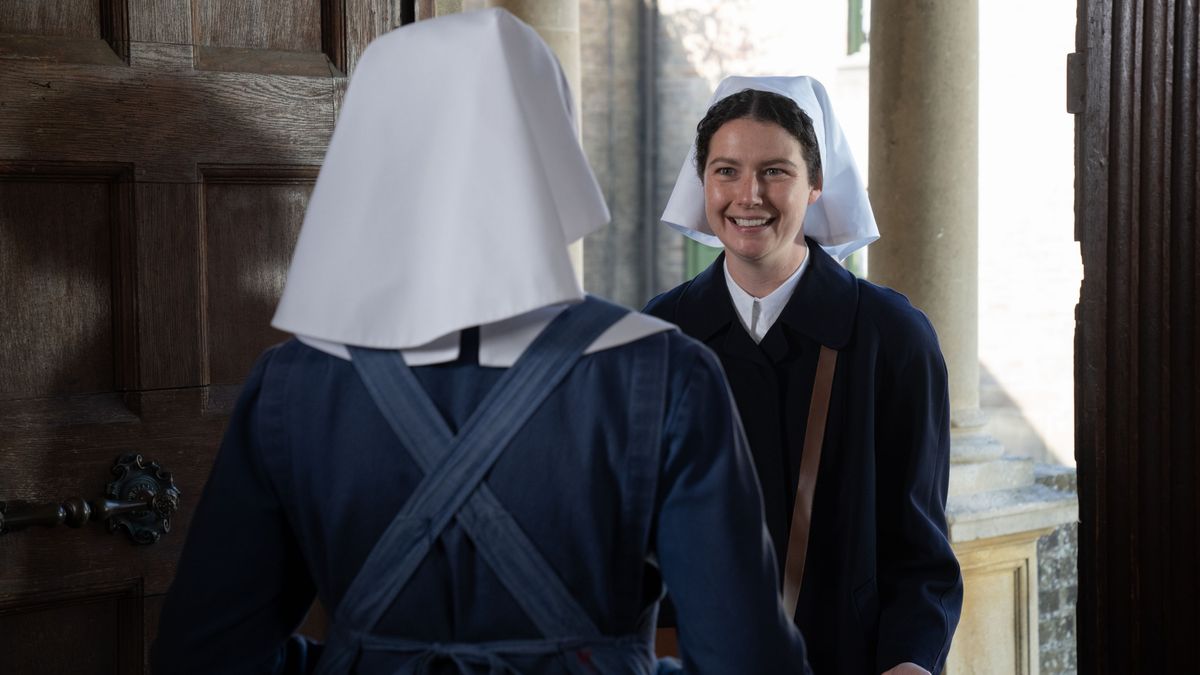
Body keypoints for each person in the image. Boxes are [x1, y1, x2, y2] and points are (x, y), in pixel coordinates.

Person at [151, 11, 811, 675]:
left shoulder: (289, 387)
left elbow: (202, 657)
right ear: (550, 142)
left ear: (369, 149)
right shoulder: (664, 375)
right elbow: (747, 660)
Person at [645, 76, 963, 675]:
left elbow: (920, 548)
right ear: (702, 182)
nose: (748, 195)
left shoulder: (892, 337)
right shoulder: (658, 336)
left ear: (816, 184)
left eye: (775, 171)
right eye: (726, 170)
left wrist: (910, 663)